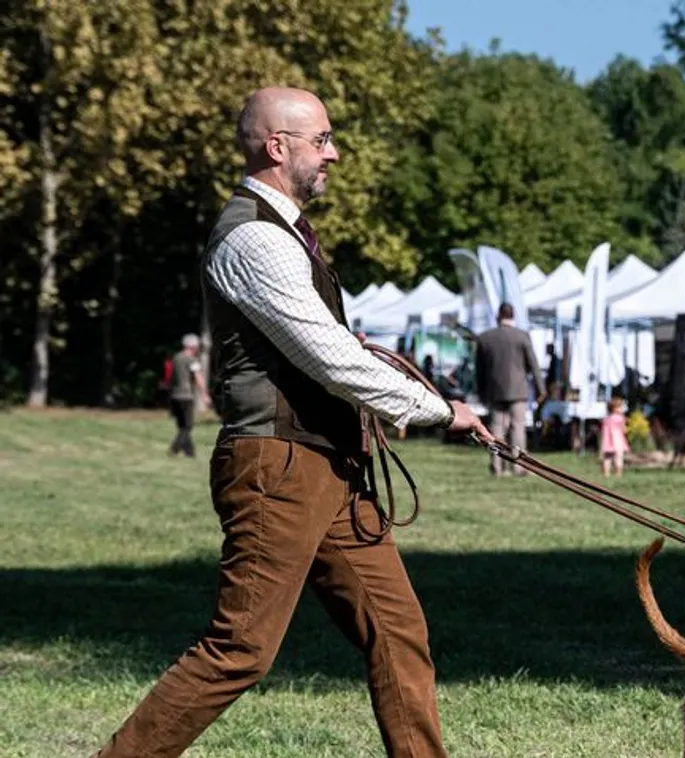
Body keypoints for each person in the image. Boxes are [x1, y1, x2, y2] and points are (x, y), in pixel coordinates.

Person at [93, 87, 491, 758]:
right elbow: (329, 355)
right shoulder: (252, 237)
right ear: (278, 147)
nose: (334, 153)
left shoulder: (285, 233)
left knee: (397, 633)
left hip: (328, 466)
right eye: (323, 140)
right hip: (276, 466)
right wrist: (433, 409)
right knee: (240, 649)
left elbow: (327, 354)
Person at [475, 302, 546, 476]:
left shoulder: (485, 338)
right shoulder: (522, 336)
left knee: (496, 428)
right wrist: (541, 388)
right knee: (518, 427)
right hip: (518, 390)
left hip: (495, 390)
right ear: (513, 316)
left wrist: (481, 392)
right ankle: (519, 466)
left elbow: (479, 370)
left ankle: (497, 467)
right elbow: (533, 365)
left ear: (498, 316)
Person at [167, 333, 209, 457]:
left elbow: (171, 377)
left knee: (182, 426)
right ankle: (174, 449)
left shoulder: (176, 357)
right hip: (186, 396)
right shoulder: (191, 360)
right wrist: (205, 394)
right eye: (197, 347)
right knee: (188, 426)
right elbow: (198, 377)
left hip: (174, 396)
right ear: (192, 346)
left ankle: (189, 452)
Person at [599, 397, 630, 477]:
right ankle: (618, 473)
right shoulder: (620, 418)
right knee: (618, 458)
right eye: (621, 407)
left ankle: (606, 473)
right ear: (615, 408)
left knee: (607, 458)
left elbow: (603, 430)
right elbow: (624, 430)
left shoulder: (606, 419)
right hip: (617, 440)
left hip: (607, 441)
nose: (623, 409)